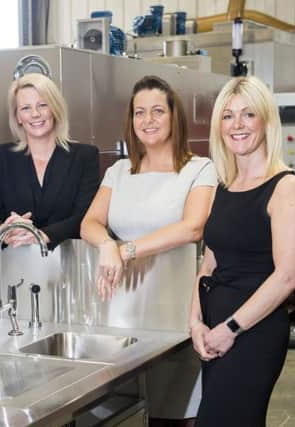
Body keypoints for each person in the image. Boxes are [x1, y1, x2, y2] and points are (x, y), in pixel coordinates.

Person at [81, 75, 217, 426]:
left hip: (175, 306)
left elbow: (193, 227)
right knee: (124, 411)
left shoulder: (200, 169)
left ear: (175, 117)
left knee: (173, 412)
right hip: (122, 309)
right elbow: (89, 223)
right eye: (139, 112)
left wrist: (126, 250)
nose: (148, 120)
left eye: (158, 111)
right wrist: (107, 244)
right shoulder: (119, 171)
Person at [189, 76, 295, 426]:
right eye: (227, 116)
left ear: (266, 121)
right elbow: (208, 264)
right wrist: (195, 321)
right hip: (213, 331)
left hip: (252, 334)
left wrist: (230, 328)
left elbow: (286, 278)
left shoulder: (286, 187)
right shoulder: (223, 186)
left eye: (248, 115)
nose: (237, 125)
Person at [0, 73, 99, 250]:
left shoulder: (84, 156)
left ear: (55, 109)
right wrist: (4, 230)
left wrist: (42, 235)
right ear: (18, 117)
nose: (35, 114)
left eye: (42, 105)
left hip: (70, 262)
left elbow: (86, 217)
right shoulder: (1, 156)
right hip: (16, 264)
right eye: (25, 108)